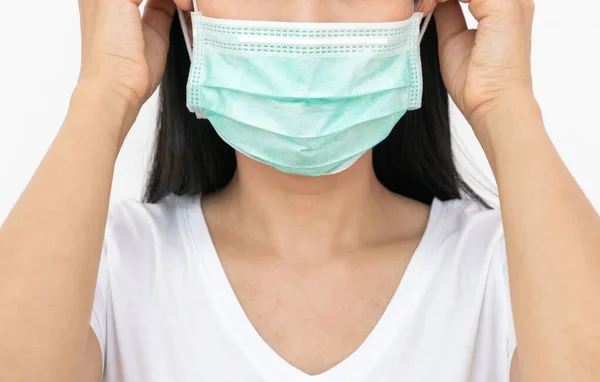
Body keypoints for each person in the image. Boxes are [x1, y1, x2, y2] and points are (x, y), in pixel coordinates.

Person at [0, 0, 599, 381]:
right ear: (186, 7)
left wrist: (508, 105)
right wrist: (103, 90)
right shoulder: (109, 269)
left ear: (423, 7)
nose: (308, 20)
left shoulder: (509, 273)